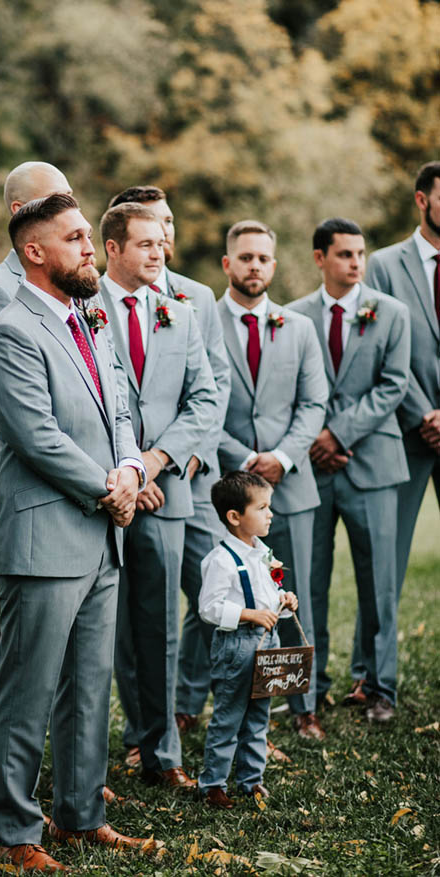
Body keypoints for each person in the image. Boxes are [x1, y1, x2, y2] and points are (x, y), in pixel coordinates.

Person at [0, 193, 160, 872]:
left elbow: (121, 407)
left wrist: (133, 466)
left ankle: (84, 815)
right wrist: (109, 489)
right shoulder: (10, 330)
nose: (91, 247)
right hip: (46, 536)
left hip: (103, 533)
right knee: (27, 690)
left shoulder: (90, 316)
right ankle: (16, 830)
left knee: (88, 686)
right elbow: (37, 438)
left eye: (88, 235)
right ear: (35, 251)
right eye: (77, 237)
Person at [98, 203, 217, 790]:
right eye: (144, 244)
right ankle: (96, 753)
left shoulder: (179, 313)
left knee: (160, 626)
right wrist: (120, 474)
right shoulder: (80, 309)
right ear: (112, 248)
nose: (158, 253)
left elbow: (205, 400)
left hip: (166, 494)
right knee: (106, 629)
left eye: (161, 244)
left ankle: (162, 754)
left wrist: (153, 464)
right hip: (97, 497)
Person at [288, 218, 410, 725]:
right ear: (320, 258)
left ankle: (380, 687)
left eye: (360, 253)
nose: (356, 263)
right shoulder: (292, 318)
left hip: (372, 464)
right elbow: (288, 387)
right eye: (344, 254)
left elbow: (393, 384)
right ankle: (307, 692)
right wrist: (314, 437)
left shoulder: (392, 314)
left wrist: (338, 434)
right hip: (310, 471)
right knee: (306, 584)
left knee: (379, 581)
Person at [217, 220, 328, 739]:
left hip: (291, 486)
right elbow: (201, 402)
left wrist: (283, 455)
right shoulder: (201, 323)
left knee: (295, 592)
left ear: (274, 266)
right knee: (227, 598)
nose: (254, 266)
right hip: (228, 492)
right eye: (245, 258)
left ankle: (303, 705)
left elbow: (313, 403)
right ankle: (211, 700)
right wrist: (243, 459)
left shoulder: (299, 326)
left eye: (263, 258)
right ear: (227, 264)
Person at [354, 162, 440, 704]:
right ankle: (369, 677)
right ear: (422, 200)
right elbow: (376, 352)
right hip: (406, 436)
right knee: (385, 561)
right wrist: (424, 414)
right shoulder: (382, 266)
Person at [198, 471, 298, 809]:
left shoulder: (263, 552)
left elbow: (269, 593)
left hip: (267, 643)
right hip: (236, 646)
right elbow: (209, 608)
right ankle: (213, 784)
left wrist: (283, 601)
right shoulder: (221, 560)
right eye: (263, 507)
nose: (271, 513)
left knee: (259, 712)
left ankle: (251, 779)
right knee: (229, 715)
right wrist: (249, 614)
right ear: (234, 516)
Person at [0, 161, 72, 368]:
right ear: (21, 210)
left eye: (70, 197)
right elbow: (2, 377)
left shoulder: (77, 276)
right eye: (57, 200)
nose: (70, 209)